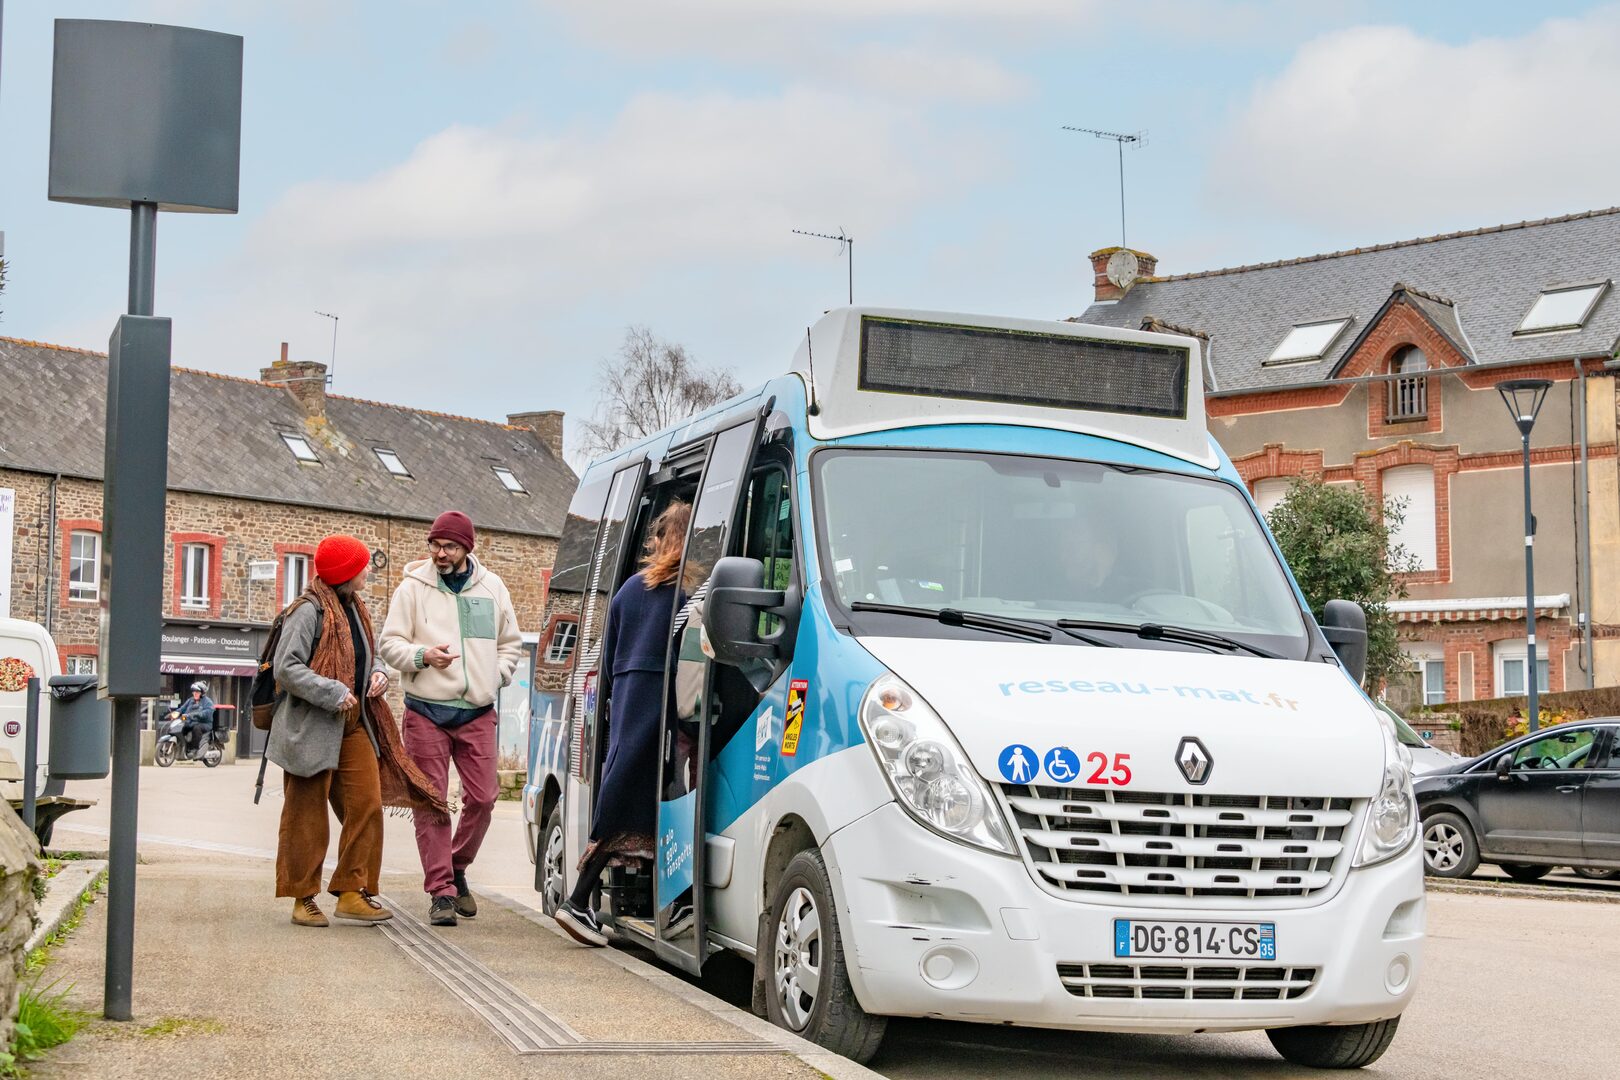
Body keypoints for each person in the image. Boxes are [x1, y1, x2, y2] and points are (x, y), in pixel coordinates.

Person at [269, 534, 440, 928]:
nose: (367, 571)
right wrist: (332, 691)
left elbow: (371, 654)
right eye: (362, 566)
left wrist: (379, 672)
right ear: (347, 572)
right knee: (305, 816)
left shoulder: (356, 608)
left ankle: (351, 891)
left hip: (354, 722)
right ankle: (302, 898)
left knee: (366, 805)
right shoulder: (307, 611)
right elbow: (286, 668)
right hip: (310, 727)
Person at [378, 511, 523, 927]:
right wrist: (422, 656)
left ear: (466, 549)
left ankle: (457, 866)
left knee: (484, 798)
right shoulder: (412, 588)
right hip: (425, 710)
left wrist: (495, 675)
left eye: (450, 547)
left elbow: (509, 645)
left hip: (477, 711)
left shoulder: (492, 588)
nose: (441, 553)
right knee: (432, 801)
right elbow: (390, 645)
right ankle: (441, 891)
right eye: (435, 545)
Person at [555, 501, 690, 948]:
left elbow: (608, 665)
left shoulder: (629, 591)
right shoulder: (686, 598)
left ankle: (586, 903)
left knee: (625, 799)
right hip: (659, 708)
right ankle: (578, 900)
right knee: (636, 804)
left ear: (658, 540)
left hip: (628, 705)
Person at [178, 681, 215, 755]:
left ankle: (194, 749)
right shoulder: (190, 700)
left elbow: (207, 713)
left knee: (196, 728)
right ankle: (183, 747)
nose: (194, 693)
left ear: (202, 693)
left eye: (197, 692)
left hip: (204, 724)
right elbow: (182, 708)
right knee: (181, 727)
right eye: (193, 692)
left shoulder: (208, 702)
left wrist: (198, 714)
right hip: (191, 722)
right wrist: (175, 713)